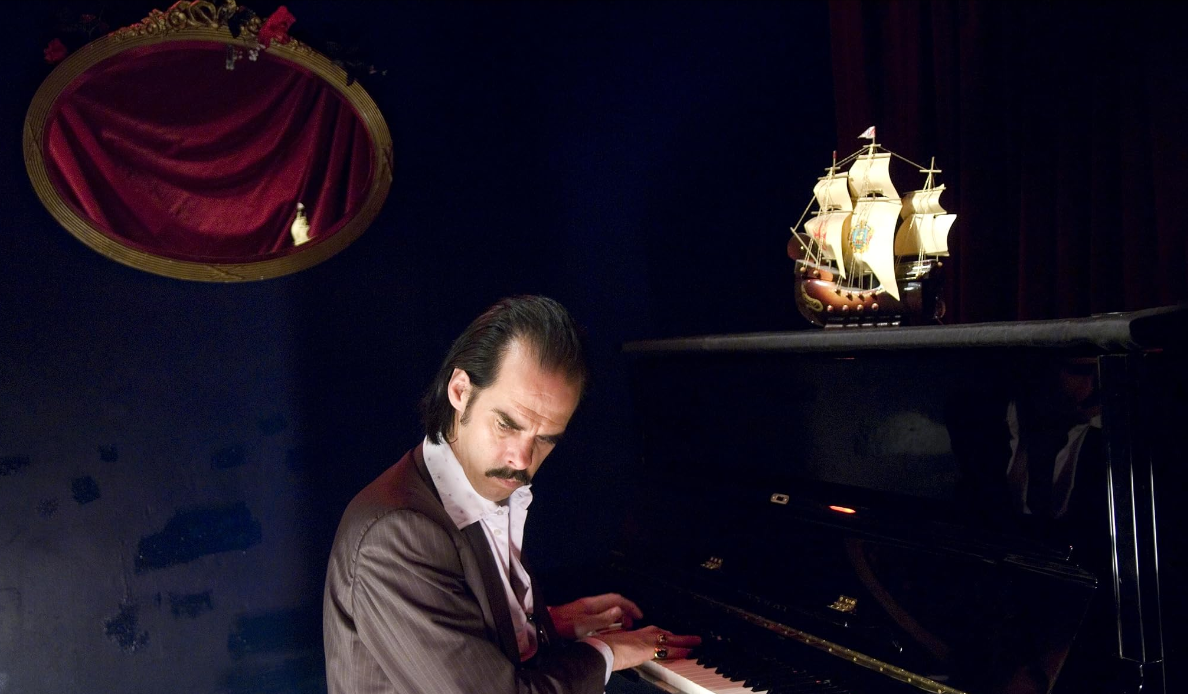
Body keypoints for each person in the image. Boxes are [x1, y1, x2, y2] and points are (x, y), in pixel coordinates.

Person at [323, 295, 700, 693]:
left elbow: (469, 639)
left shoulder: (472, 491)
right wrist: (605, 650)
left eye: (545, 439)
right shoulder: (396, 535)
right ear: (460, 391)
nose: (521, 459)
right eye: (507, 424)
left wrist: (548, 623)